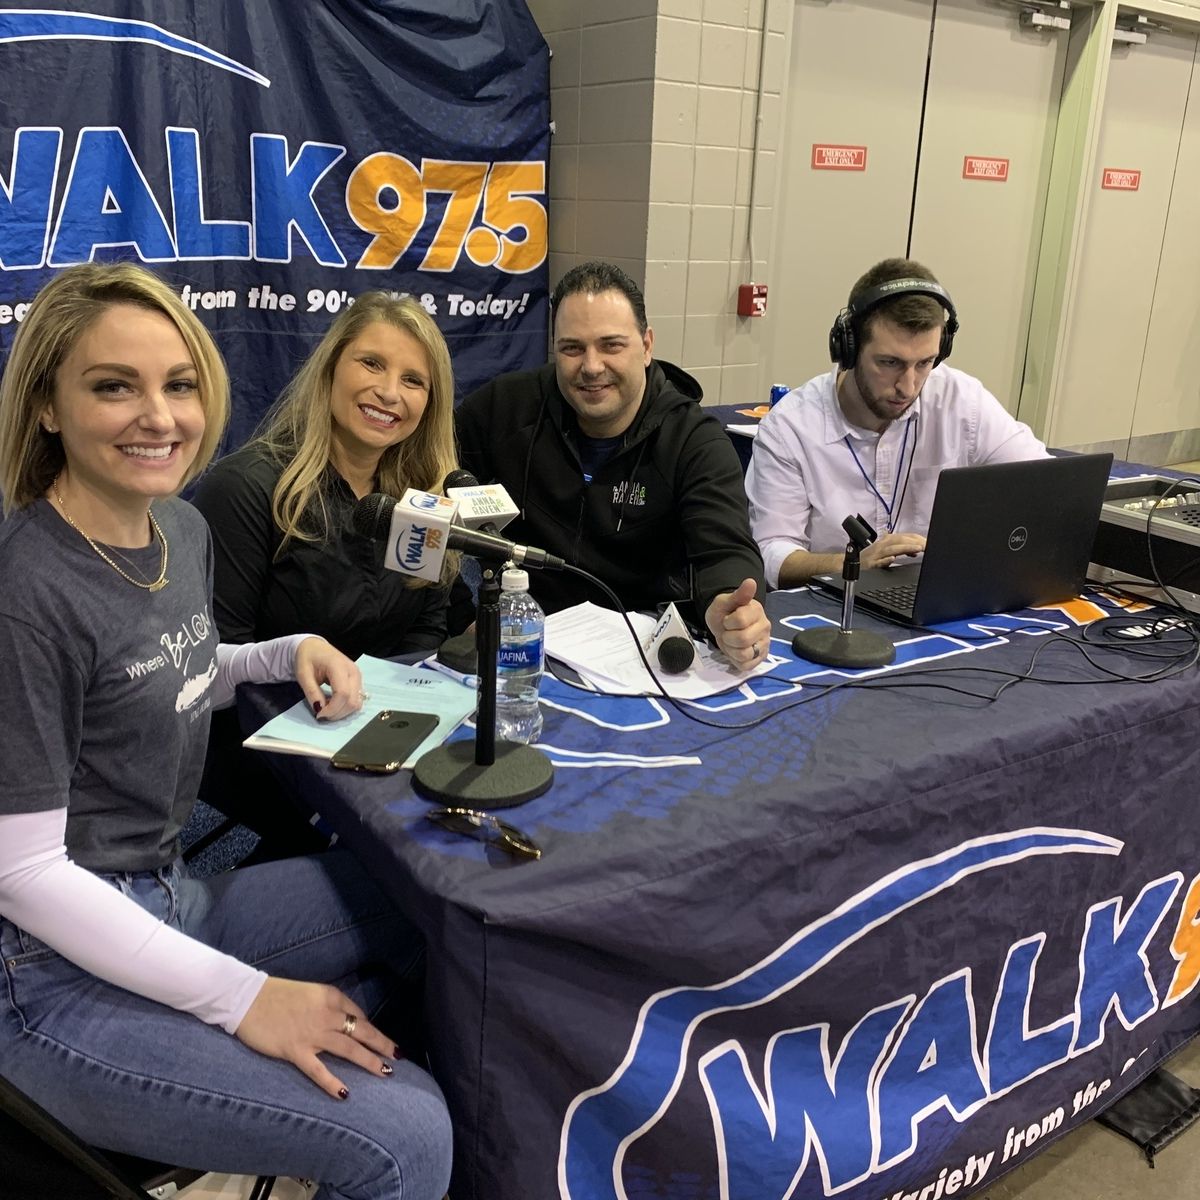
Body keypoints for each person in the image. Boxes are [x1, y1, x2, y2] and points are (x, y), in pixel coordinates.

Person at [0, 264, 452, 1199]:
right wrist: (246, 1003)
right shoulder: (25, 592)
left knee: (426, 906)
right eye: (114, 386)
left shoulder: (175, 527)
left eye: (179, 384)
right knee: (409, 1135)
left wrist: (284, 651)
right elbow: (23, 873)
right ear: (46, 405)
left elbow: (172, 676)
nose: (158, 416)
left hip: (166, 895)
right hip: (41, 972)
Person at [191, 294, 459, 854]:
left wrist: (392, 717)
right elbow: (214, 669)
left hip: (383, 727)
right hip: (261, 737)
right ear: (331, 367)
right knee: (391, 851)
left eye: (413, 380)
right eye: (372, 363)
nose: (389, 392)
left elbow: (427, 627)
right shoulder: (246, 488)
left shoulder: (423, 498)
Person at [455, 260, 771, 667]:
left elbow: (725, 550)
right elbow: (428, 487)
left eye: (611, 345)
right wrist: (461, 615)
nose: (591, 366)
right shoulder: (503, 409)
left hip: (642, 655)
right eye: (572, 348)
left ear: (647, 346)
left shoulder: (693, 439)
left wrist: (728, 609)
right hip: (524, 647)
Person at [745, 258, 1049, 588]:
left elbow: (1045, 483)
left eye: (925, 363)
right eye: (890, 363)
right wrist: (851, 564)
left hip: (937, 593)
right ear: (849, 349)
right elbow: (772, 553)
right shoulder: (790, 428)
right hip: (837, 598)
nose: (908, 385)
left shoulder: (961, 400)